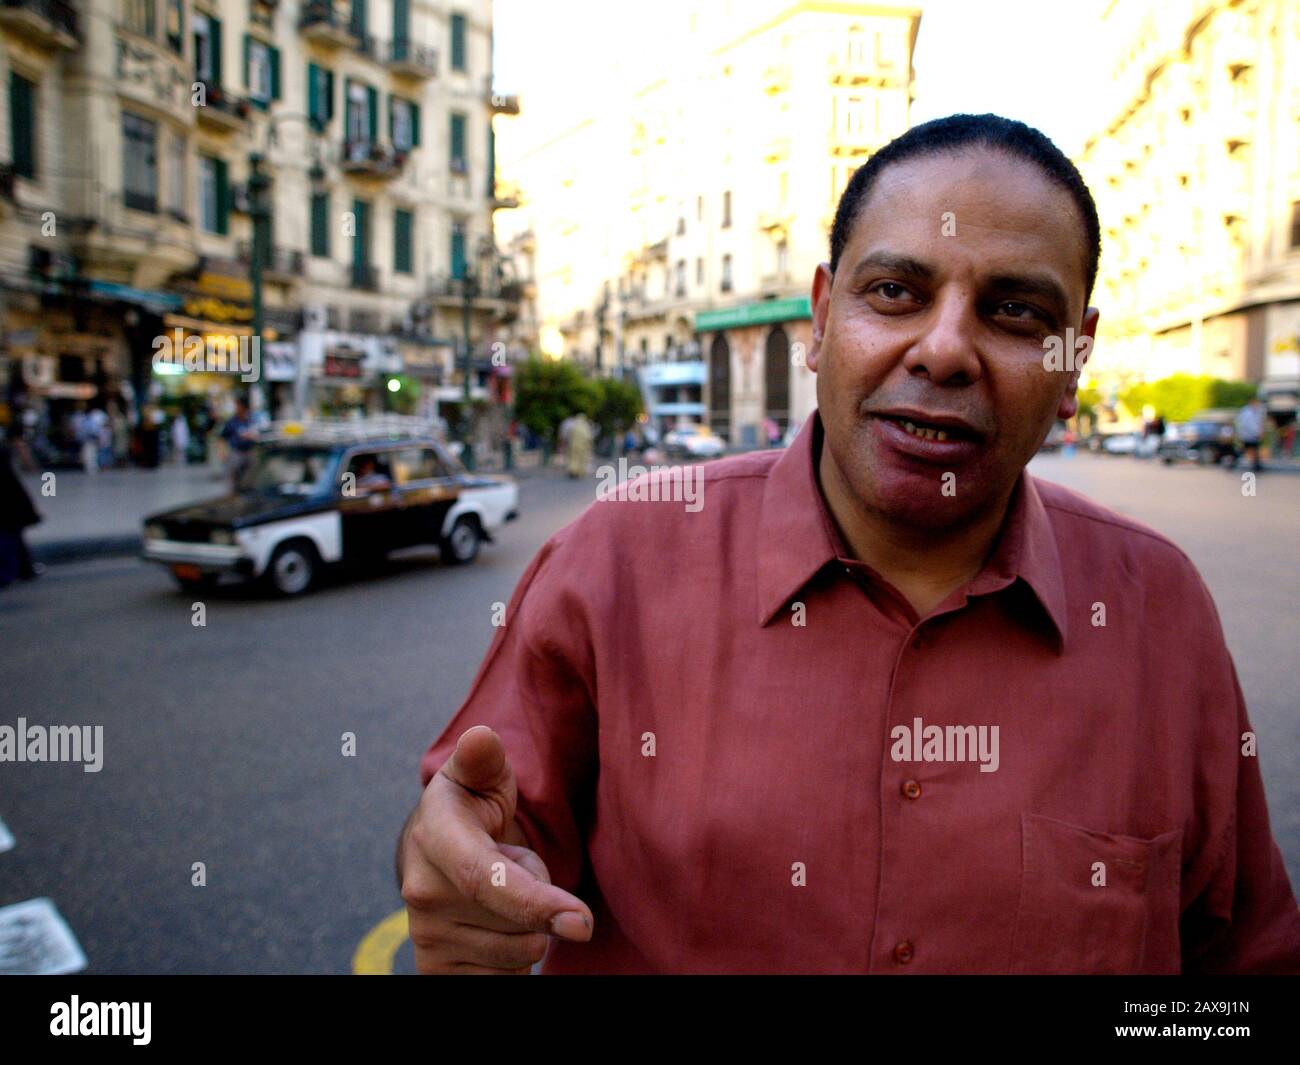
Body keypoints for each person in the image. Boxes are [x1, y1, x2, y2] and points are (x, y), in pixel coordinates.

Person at [396, 114, 1300, 975]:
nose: (944, 351)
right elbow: (473, 838)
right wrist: (456, 875)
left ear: (1075, 361)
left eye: (1015, 312)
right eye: (895, 292)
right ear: (821, 320)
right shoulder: (613, 564)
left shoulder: (1160, 612)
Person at [0, 441, 42, 587]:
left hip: (9, 507)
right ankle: (20, 570)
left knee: (11, 537)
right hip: (10, 507)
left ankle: (22, 569)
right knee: (11, 537)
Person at [220, 399, 257, 489]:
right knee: (234, 476)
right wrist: (222, 452)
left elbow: (258, 434)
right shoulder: (232, 422)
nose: (237, 408)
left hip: (250, 452)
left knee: (250, 476)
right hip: (237, 452)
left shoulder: (251, 421)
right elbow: (222, 437)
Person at [1233, 396, 1265, 473]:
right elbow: (1248, 424)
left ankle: (1256, 465)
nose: (1258, 405)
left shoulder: (1254, 411)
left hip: (1250, 435)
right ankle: (1256, 465)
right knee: (1250, 449)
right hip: (1249, 435)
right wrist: (1257, 432)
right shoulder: (1247, 412)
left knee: (1250, 449)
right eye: (1256, 403)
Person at [565, 412, 593, 479]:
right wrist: (589, 446)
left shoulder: (574, 426)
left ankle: (572, 470)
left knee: (573, 458)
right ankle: (579, 472)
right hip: (582, 446)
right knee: (581, 459)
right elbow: (588, 437)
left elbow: (568, 436)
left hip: (573, 445)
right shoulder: (585, 426)